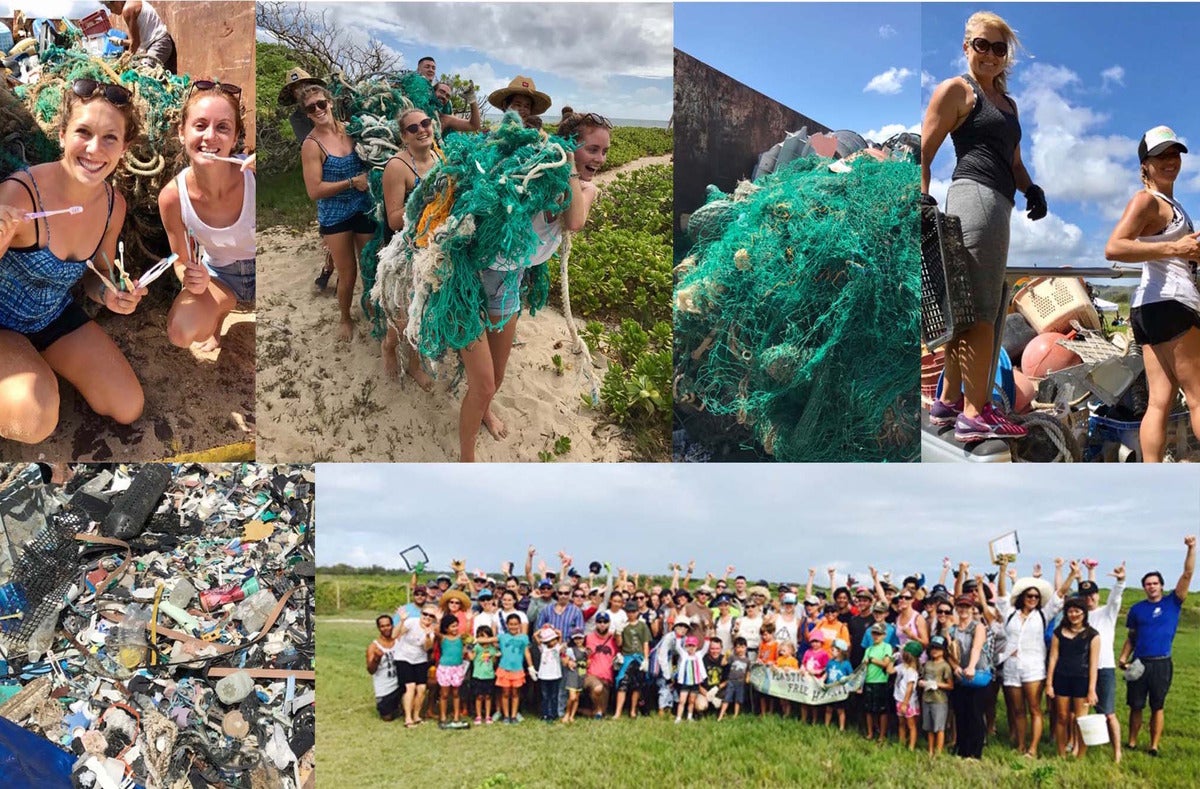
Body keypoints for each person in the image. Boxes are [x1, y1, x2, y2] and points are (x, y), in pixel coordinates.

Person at [457, 104, 609, 461]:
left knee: (496, 376)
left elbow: (574, 221)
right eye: (592, 149)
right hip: (465, 278)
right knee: (484, 384)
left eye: (604, 151)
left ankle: (485, 411)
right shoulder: (532, 171)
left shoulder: (585, 189)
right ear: (570, 144)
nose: (600, 159)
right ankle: (466, 458)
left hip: (508, 282)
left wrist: (569, 166)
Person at [921, 10, 1046, 441]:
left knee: (974, 306)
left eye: (999, 47)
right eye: (982, 45)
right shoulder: (957, 90)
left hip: (1000, 203)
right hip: (974, 196)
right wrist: (921, 196)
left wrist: (1031, 189)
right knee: (980, 308)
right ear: (966, 47)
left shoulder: (1009, 105)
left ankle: (948, 401)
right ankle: (977, 412)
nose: (990, 54)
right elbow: (924, 151)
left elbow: (1014, 162)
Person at [0, 77, 146, 444]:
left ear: (124, 147)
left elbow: (98, 275)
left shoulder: (113, 206)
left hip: (50, 315)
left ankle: (29, 363)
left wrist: (111, 293)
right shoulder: (20, 195)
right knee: (35, 418)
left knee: (128, 406)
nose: (95, 149)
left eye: (110, 137)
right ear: (63, 135)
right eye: (84, 132)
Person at [1104, 127, 1200, 461]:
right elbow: (1114, 247)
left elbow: (1166, 250)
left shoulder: (1172, 205)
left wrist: (1186, 250)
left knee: (1160, 401)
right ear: (1145, 164)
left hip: (1149, 308)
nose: (1170, 161)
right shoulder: (1146, 200)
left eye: (1175, 154)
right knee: (1197, 396)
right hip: (1171, 304)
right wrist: (1176, 248)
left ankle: (1151, 475)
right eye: (1161, 156)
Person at [159, 79, 254, 352]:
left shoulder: (254, 175)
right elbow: (180, 261)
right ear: (182, 132)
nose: (210, 136)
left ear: (235, 137)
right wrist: (191, 278)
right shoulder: (172, 197)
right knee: (181, 331)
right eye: (200, 125)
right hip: (222, 278)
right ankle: (219, 312)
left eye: (223, 127)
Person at [298, 83, 375, 342]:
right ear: (307, 114)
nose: (318, 110)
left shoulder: (351, 129)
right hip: (335, 214)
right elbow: (314, 190)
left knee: (369, 265)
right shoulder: (311, 145)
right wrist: (352, 182)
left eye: (321, 103)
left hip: (363, 206)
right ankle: (345, 317)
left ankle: (371, 307)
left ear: (330, 103)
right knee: (348, 273)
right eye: (311, 108)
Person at [1119, 535, 1196, 756]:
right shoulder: (1137, 609)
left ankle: (1153, 745)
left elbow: (1187, 574)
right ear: (1143, 587)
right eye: (1148, 584)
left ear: (1161, 586)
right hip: (1139, 663)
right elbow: (1132, 637)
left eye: (1155, 583)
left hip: (1162, 663)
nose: (1151, 586)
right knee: (1135, 705)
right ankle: (1131, 742)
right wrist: (1123, 657)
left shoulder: (1173, 602)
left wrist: (1191, 548)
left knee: (1157, 706)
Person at [380, 107, 440, 389]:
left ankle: (415, 365)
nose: (422, 130)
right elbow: (393, 219)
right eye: (413, 128)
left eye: (425, 123)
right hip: (407, 250)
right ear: (404, 136)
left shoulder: (440, 157)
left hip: (435, 248)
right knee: (404, 316)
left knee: (424, 312)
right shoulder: (397, 167)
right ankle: (389, 346)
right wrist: (425, 200)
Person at [995, 563, 1065, 757]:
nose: (1033, 599)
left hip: (1033, 667)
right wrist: (1002, 571)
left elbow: (1059, 595)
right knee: (1017, 710)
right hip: (1012, 667)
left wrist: (1071, 574)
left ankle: (1033, 748)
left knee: (1034, 708)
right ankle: (1020, 744)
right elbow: (1001, 595)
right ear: (1022, 597)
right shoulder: (1010, 614)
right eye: (1029, 596)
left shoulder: (1042, 615)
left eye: (1036, 596)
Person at [1079, 562, 1126, 762]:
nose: (1089, 599)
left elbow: (1115, 599)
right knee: (1081, 711)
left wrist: (1120, 582)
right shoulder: (1079, 616)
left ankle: (1117, 752)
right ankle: (1078, 748)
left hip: (1104, 668)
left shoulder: (1107, 613)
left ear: (1098, 596)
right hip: (1083, 669)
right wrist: (1089, 571)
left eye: (1092, 595)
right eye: (1085, 596)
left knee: (1108, 713)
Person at [1046, 597, 1100, 759]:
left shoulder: (1093, 635)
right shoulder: (1058, 633)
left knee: (1081, 719)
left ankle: (1080, 755)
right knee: (1061, 717)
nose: (1073, 614)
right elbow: (1053, 658)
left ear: (1084, 613)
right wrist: (1049, 683)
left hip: (1082, 680)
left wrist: (1091, 690)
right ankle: (1061, 753)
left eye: (1077, 611)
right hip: (1061, 678)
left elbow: (1093, 664)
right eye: (1070, 611)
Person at [948, 596, 991, 759]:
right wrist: (955, 667)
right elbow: (949, 652)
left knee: (975, 714)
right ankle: (963, 749)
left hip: (977, 674)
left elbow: (976, 648)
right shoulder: (952, 630)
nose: (963, 610)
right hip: (960, 676)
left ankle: (975, 752)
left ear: (972, 608)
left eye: (966, 606)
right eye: (960, 606)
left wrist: (971, 666)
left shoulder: (978, 627)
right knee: (961, 713)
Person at [395, 604, 436, 728]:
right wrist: (402, 621)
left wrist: (427, 635)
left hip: (420, 659)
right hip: (403, 657)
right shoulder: (411, 622)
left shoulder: (431, 631)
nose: (427, 617)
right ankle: (408, 718)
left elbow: (427, 648)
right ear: (421, 614)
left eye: (431, 615)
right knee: (410, 686)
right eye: (425, 614)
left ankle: (416, 715)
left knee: (422, 688)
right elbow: (395, 635)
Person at [104, 1, 176, 72]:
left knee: (142, 73)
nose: (111, 11)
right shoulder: (131, 3)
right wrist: (120, 42)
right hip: (159, 43)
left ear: (116, 2)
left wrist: (125, 61)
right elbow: (138, 41)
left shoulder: (128, 9)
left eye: (110, 7)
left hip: (159, 44)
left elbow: (135, 43)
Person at [497, 612, 532, 724]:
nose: (513, 626)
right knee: (505, 693)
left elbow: (526, 652)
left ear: (519, 625)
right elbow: (489, 640)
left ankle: (513, 715)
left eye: (516, 624)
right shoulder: (502, 637)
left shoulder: (524, 637)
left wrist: (531, 666)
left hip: (517, 670)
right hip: (504, 669)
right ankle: (506, 716)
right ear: (507, 625)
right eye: (511, 624)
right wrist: (475, 640)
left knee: (515, 693)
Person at [862, 623, 894, 743]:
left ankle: (882, 735)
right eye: (874, 633)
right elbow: (863, 666)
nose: (876, 636)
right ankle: (870, 733)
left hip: (881, 681)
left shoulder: (887, 647)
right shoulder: (868, 649)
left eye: (879, 634)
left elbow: (885, 663)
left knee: (882, 710)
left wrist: (871, 660)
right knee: (868, 710)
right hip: (868, 680)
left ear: (884, 635)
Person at [922, 635, 953, 755]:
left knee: (939, 727)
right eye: (933, 648)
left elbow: (950, 685)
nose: (934, 651)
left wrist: (937, 684)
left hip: (939, 700)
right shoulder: (928, 664)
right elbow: (923, 677)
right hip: (927, 698)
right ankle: (930, 750)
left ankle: (938, 751)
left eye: (938, 648)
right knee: (929, 727)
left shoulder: (945, 666)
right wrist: (922, 683)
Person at [584, 611, 618, 718]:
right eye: (599, 622)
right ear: (596, 623)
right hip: (591, 675)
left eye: (605, 622)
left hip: (607, 679)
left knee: (601, 713)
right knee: (597, 688)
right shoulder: (588, 638)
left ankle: (580, 711)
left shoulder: (614, 639)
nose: (602, 624)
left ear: (609, 623)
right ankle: (597, 710)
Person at [367, 614, 400, 721]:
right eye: (382, 626)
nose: (386, 628)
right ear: (378, 628)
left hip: (399, 684)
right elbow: (371, 670)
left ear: (392, 625)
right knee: (387, 718)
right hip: (384, 688)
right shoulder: (374, 646)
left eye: (388, 625)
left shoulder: (398, 641)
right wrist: (377, 658)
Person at [469, 625, 499, 726]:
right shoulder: (477, 647)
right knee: (479, 696)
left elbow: (494, 661)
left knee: (488, 697)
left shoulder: (492, 648)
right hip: (478, 675)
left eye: (485, 636)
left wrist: (495, 655)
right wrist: (469, 648)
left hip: (489, 676)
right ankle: (478, 716)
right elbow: (471, 658)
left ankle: (487, 715)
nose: (483, 639)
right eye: (480, 636)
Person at [534, 625, 564, 722]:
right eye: (551, 640)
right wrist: (542, 630)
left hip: (555, 676)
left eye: (554, 639)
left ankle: (553, 714)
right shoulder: (543, 648)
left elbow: (560, 635)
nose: (553, 642)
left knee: (554, 696)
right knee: (545, 696)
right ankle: (545, 714)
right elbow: (535, 635)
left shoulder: (557, 647)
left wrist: (554, 630)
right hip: (544, 676)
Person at [673, 635, 705, 723]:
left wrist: (707, 638)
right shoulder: (684, 655)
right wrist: (678, 637)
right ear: (686, 646)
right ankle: (678, 718)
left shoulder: (698, 655)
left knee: (692, 701)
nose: (691, 648)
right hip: (685, 682)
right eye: (689, 645)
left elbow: (705, 648)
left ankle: (689, 717)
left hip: (695, 682)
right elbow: (678, 647)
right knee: (682, 701)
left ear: (696, 647)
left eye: (693, 646)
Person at [718, 637, 750, 721]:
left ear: (746, 647)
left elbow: (748, 670)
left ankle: (735, 715)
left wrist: (747, 678)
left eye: (742, 647)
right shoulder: (733, 657)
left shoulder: (747, 660)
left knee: (738, 700)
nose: (740, 649)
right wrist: (726, 655)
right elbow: (723, 663)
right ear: (735, 648)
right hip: (731, 682)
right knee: (727, 699)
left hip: (741, 683)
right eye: (738, 647)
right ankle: (720, 715)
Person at [562, 628, 588, 723]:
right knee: (572, 697)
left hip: (581, 673)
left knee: (577, 697)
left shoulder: (586, 650)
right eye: (576, 639)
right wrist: (569, 661)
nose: (578, 641)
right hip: (573, 674)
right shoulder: (570, 650)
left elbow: (588, 662)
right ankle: (567, 713)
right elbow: (564, 662)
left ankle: (572, 716)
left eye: (580, 638)